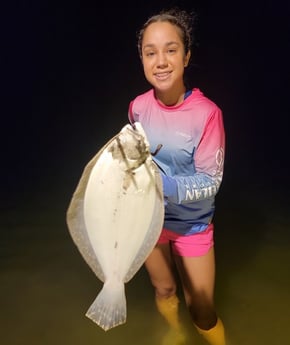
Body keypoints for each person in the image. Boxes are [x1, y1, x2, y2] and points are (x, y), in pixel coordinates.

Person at [128, 7, 226, 345]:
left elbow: (211, 182)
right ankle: (174, 331)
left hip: (192, 225)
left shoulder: (207, 114)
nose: (161, 61)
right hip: (150, 220)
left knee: (201, 307)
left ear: (186, 56)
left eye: (171, 50)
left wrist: (163, 185)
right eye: (150, 52)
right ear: (141, 59)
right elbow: (136, 158)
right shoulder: (137, 106)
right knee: (163, 288)